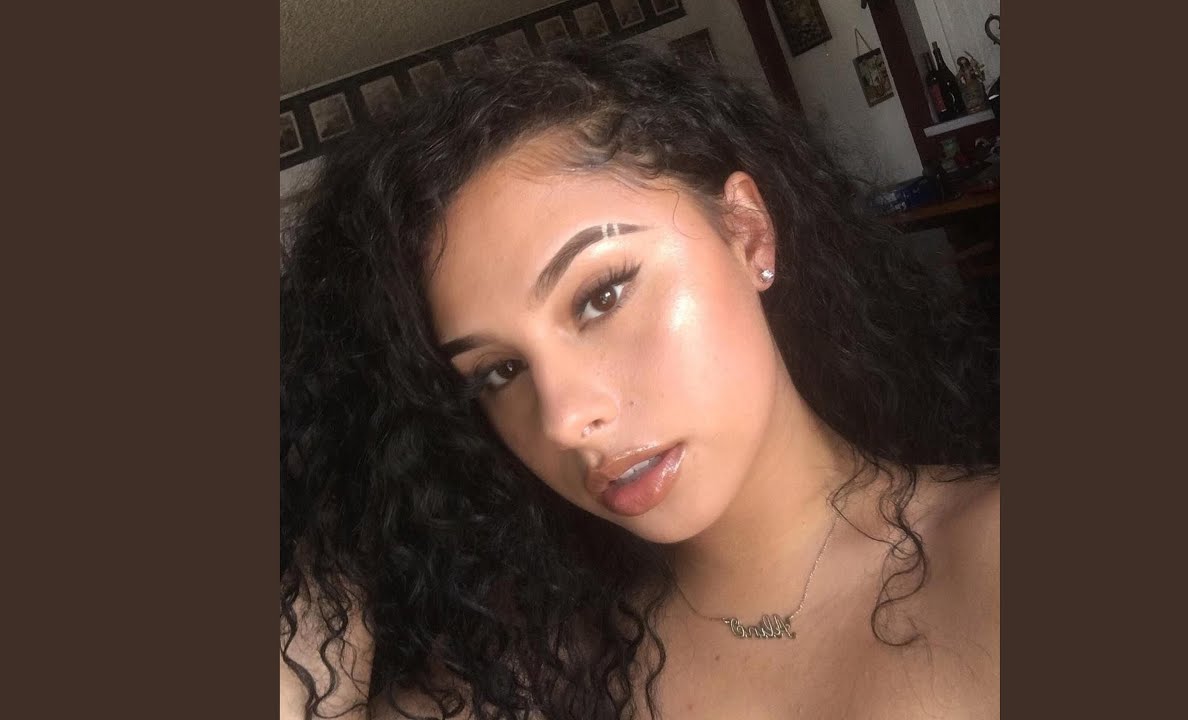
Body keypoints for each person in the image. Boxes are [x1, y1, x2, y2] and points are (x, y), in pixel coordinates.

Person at [280, 42, 999, 720]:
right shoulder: (540, 676)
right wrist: (337, 511)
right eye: (499, 371)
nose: (564, 419)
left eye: (602, 296)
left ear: (747, 232)